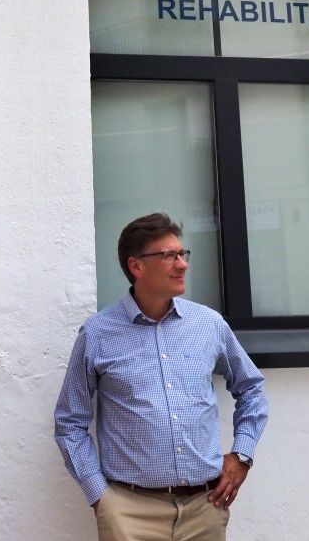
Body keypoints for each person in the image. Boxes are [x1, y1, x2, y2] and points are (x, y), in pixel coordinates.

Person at [54, 213, 268, 541]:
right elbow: (70, 422)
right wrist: (100, 497)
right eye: (168, 255)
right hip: (129, 513)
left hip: (204, 508)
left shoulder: (208, 324)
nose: (181, 264)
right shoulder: (97, 333)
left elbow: (251, 387)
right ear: (136, 266)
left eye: (183, 254)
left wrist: (242, 455)